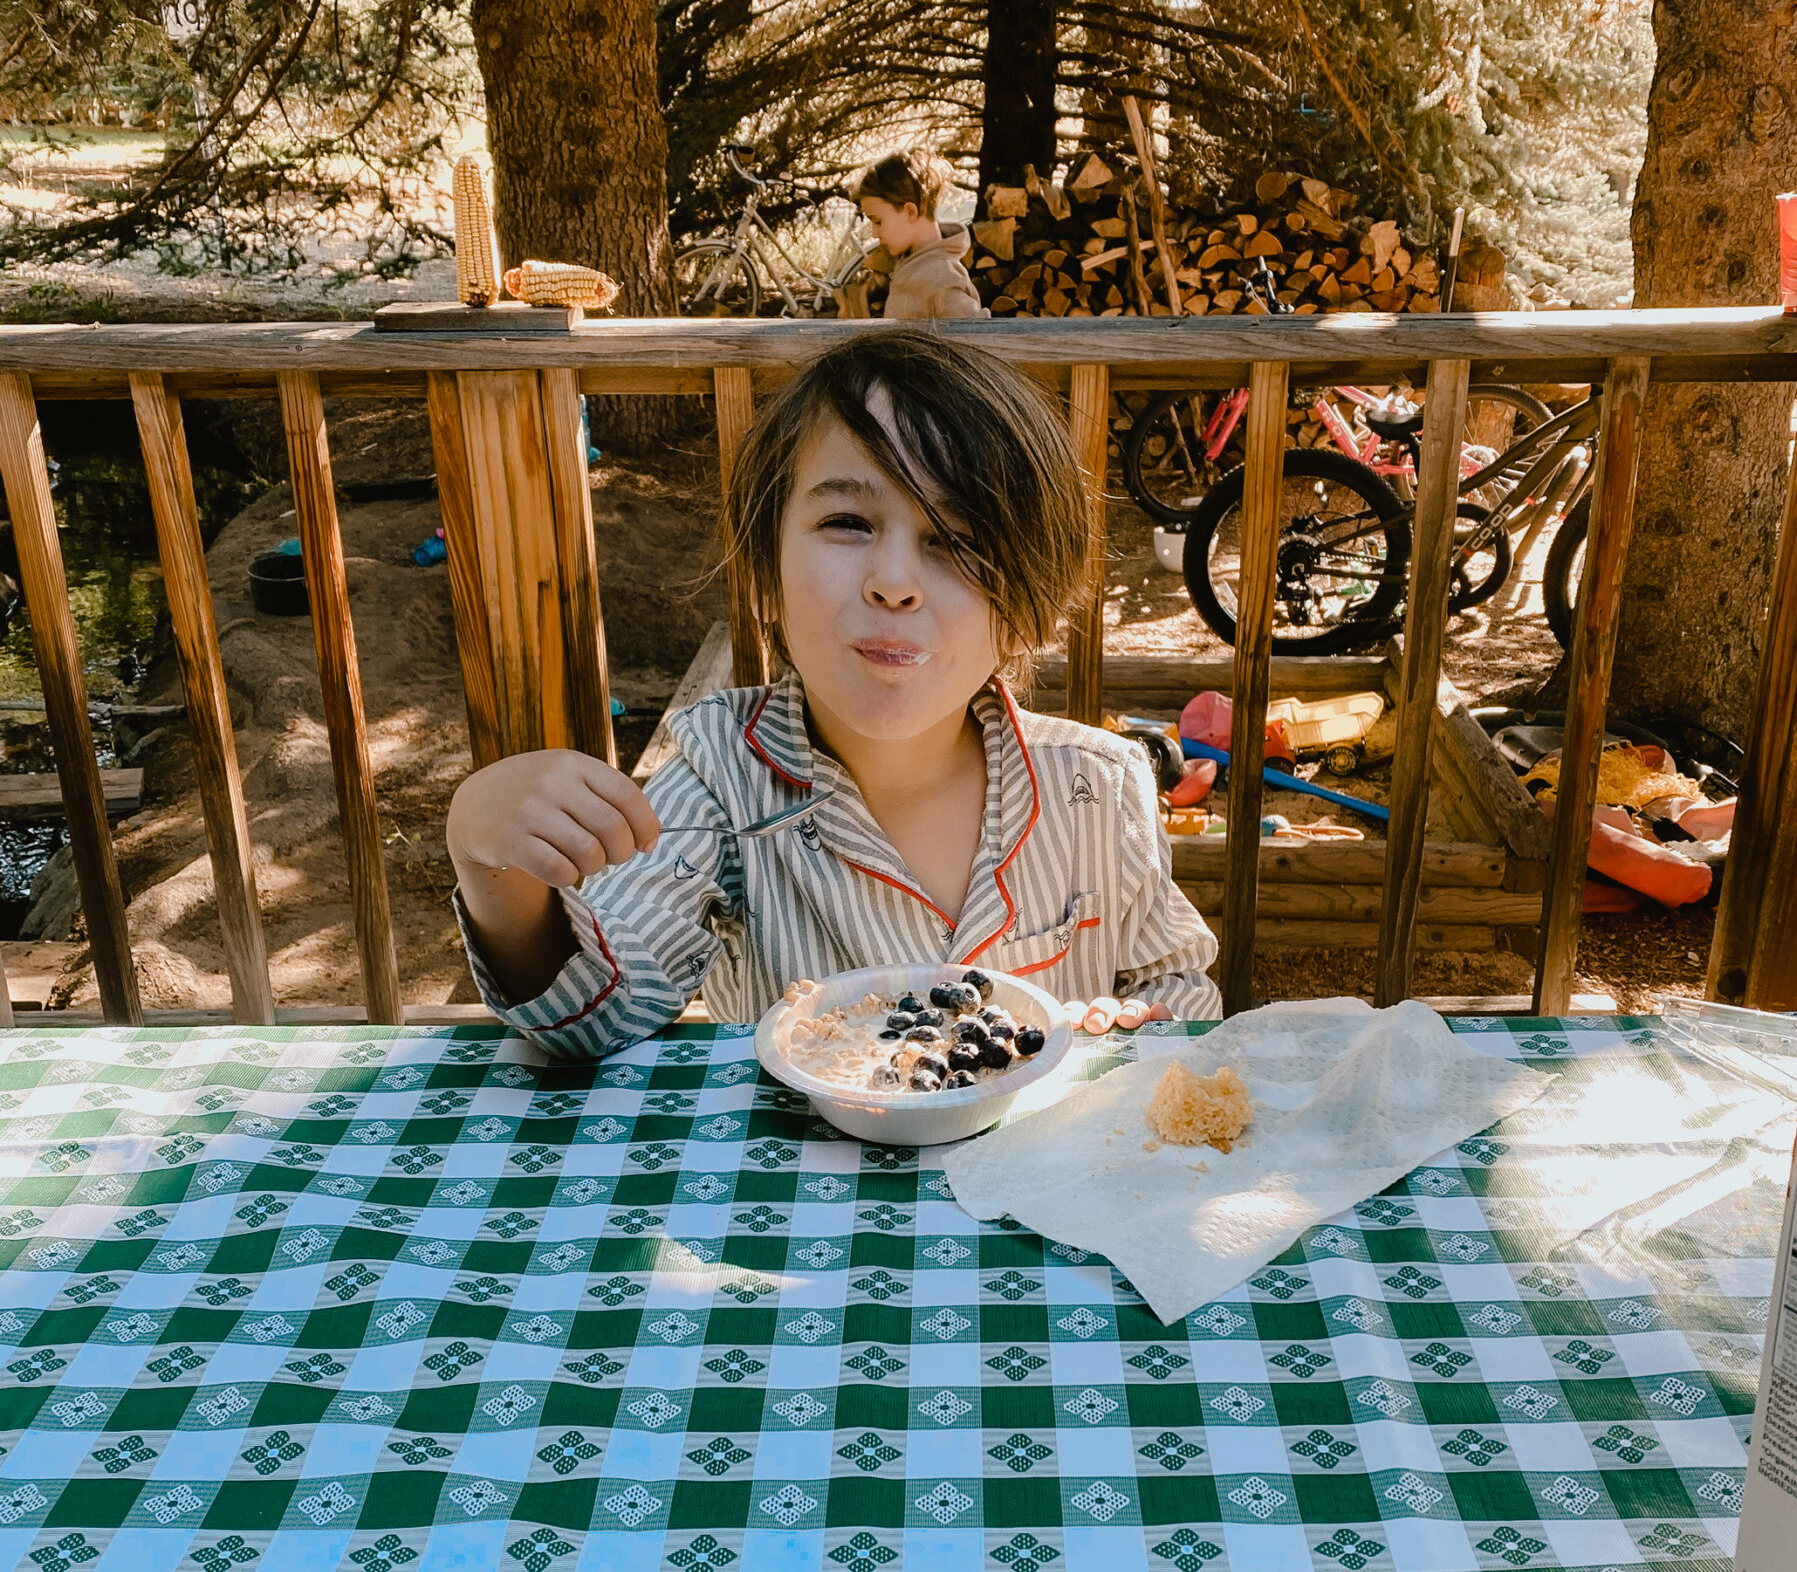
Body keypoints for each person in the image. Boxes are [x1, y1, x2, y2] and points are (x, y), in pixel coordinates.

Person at [446, 331, 1221, 1058]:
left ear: (1030, 609)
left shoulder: (1101, 787)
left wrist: (1146, 1027)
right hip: (801, 1192)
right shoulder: (722, 779)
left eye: (957, 543)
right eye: (848, 521)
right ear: (767, 573)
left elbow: (1175, 981)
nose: (892, 583)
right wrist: (490, 863)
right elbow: (597, 1011)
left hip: (1036, 1189)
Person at [849, 151, 987, 320]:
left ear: (910, 211)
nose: (875, 233)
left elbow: (977, 337)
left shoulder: (943, 279)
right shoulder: (913, 264)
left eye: (878, 221)